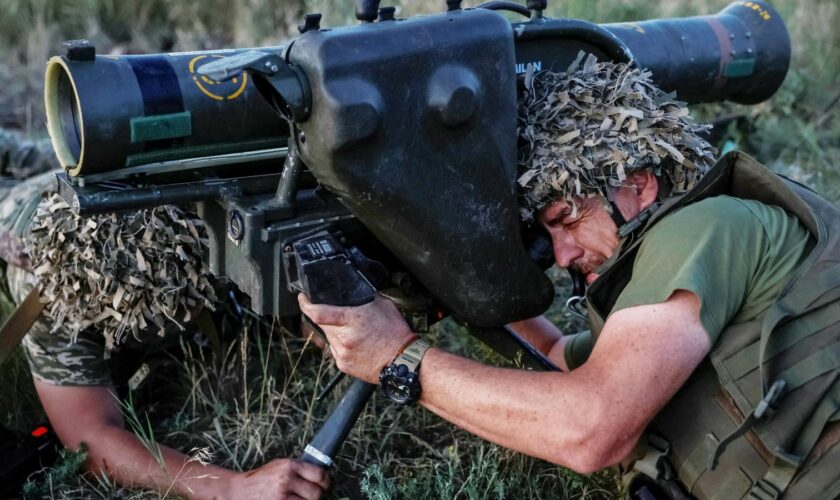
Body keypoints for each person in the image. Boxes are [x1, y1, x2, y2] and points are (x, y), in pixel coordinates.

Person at [299, 60, 840, 499]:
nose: (561, 255)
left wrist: (398, 358)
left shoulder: (704, 227)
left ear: (638, 184)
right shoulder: (661, 274)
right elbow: (556, 357)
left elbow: (590, 428)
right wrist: (459, 285)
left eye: (567, 219)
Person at [0, 128, 329, 500]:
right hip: (16, 207)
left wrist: (306, 312)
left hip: (76, 173)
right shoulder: (54, 294)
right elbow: (89, 440)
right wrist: (232, 487)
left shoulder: (206, 213)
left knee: (49, 149)